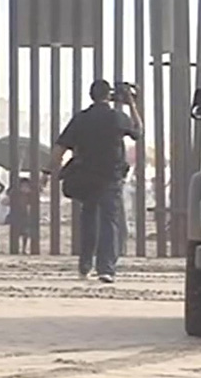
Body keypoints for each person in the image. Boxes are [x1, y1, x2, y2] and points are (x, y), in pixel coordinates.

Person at [44, 80, 143, 283]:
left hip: (85, 177)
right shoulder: (117, 117)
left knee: (88, 220)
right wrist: (132, 104)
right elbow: (138, 132)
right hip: (110, 177)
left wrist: (46, 172)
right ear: (108, 95)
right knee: (109, 221)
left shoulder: (81, 118)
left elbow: (60, 147)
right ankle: (106, 269)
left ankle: (85, 266)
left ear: (91, 95)